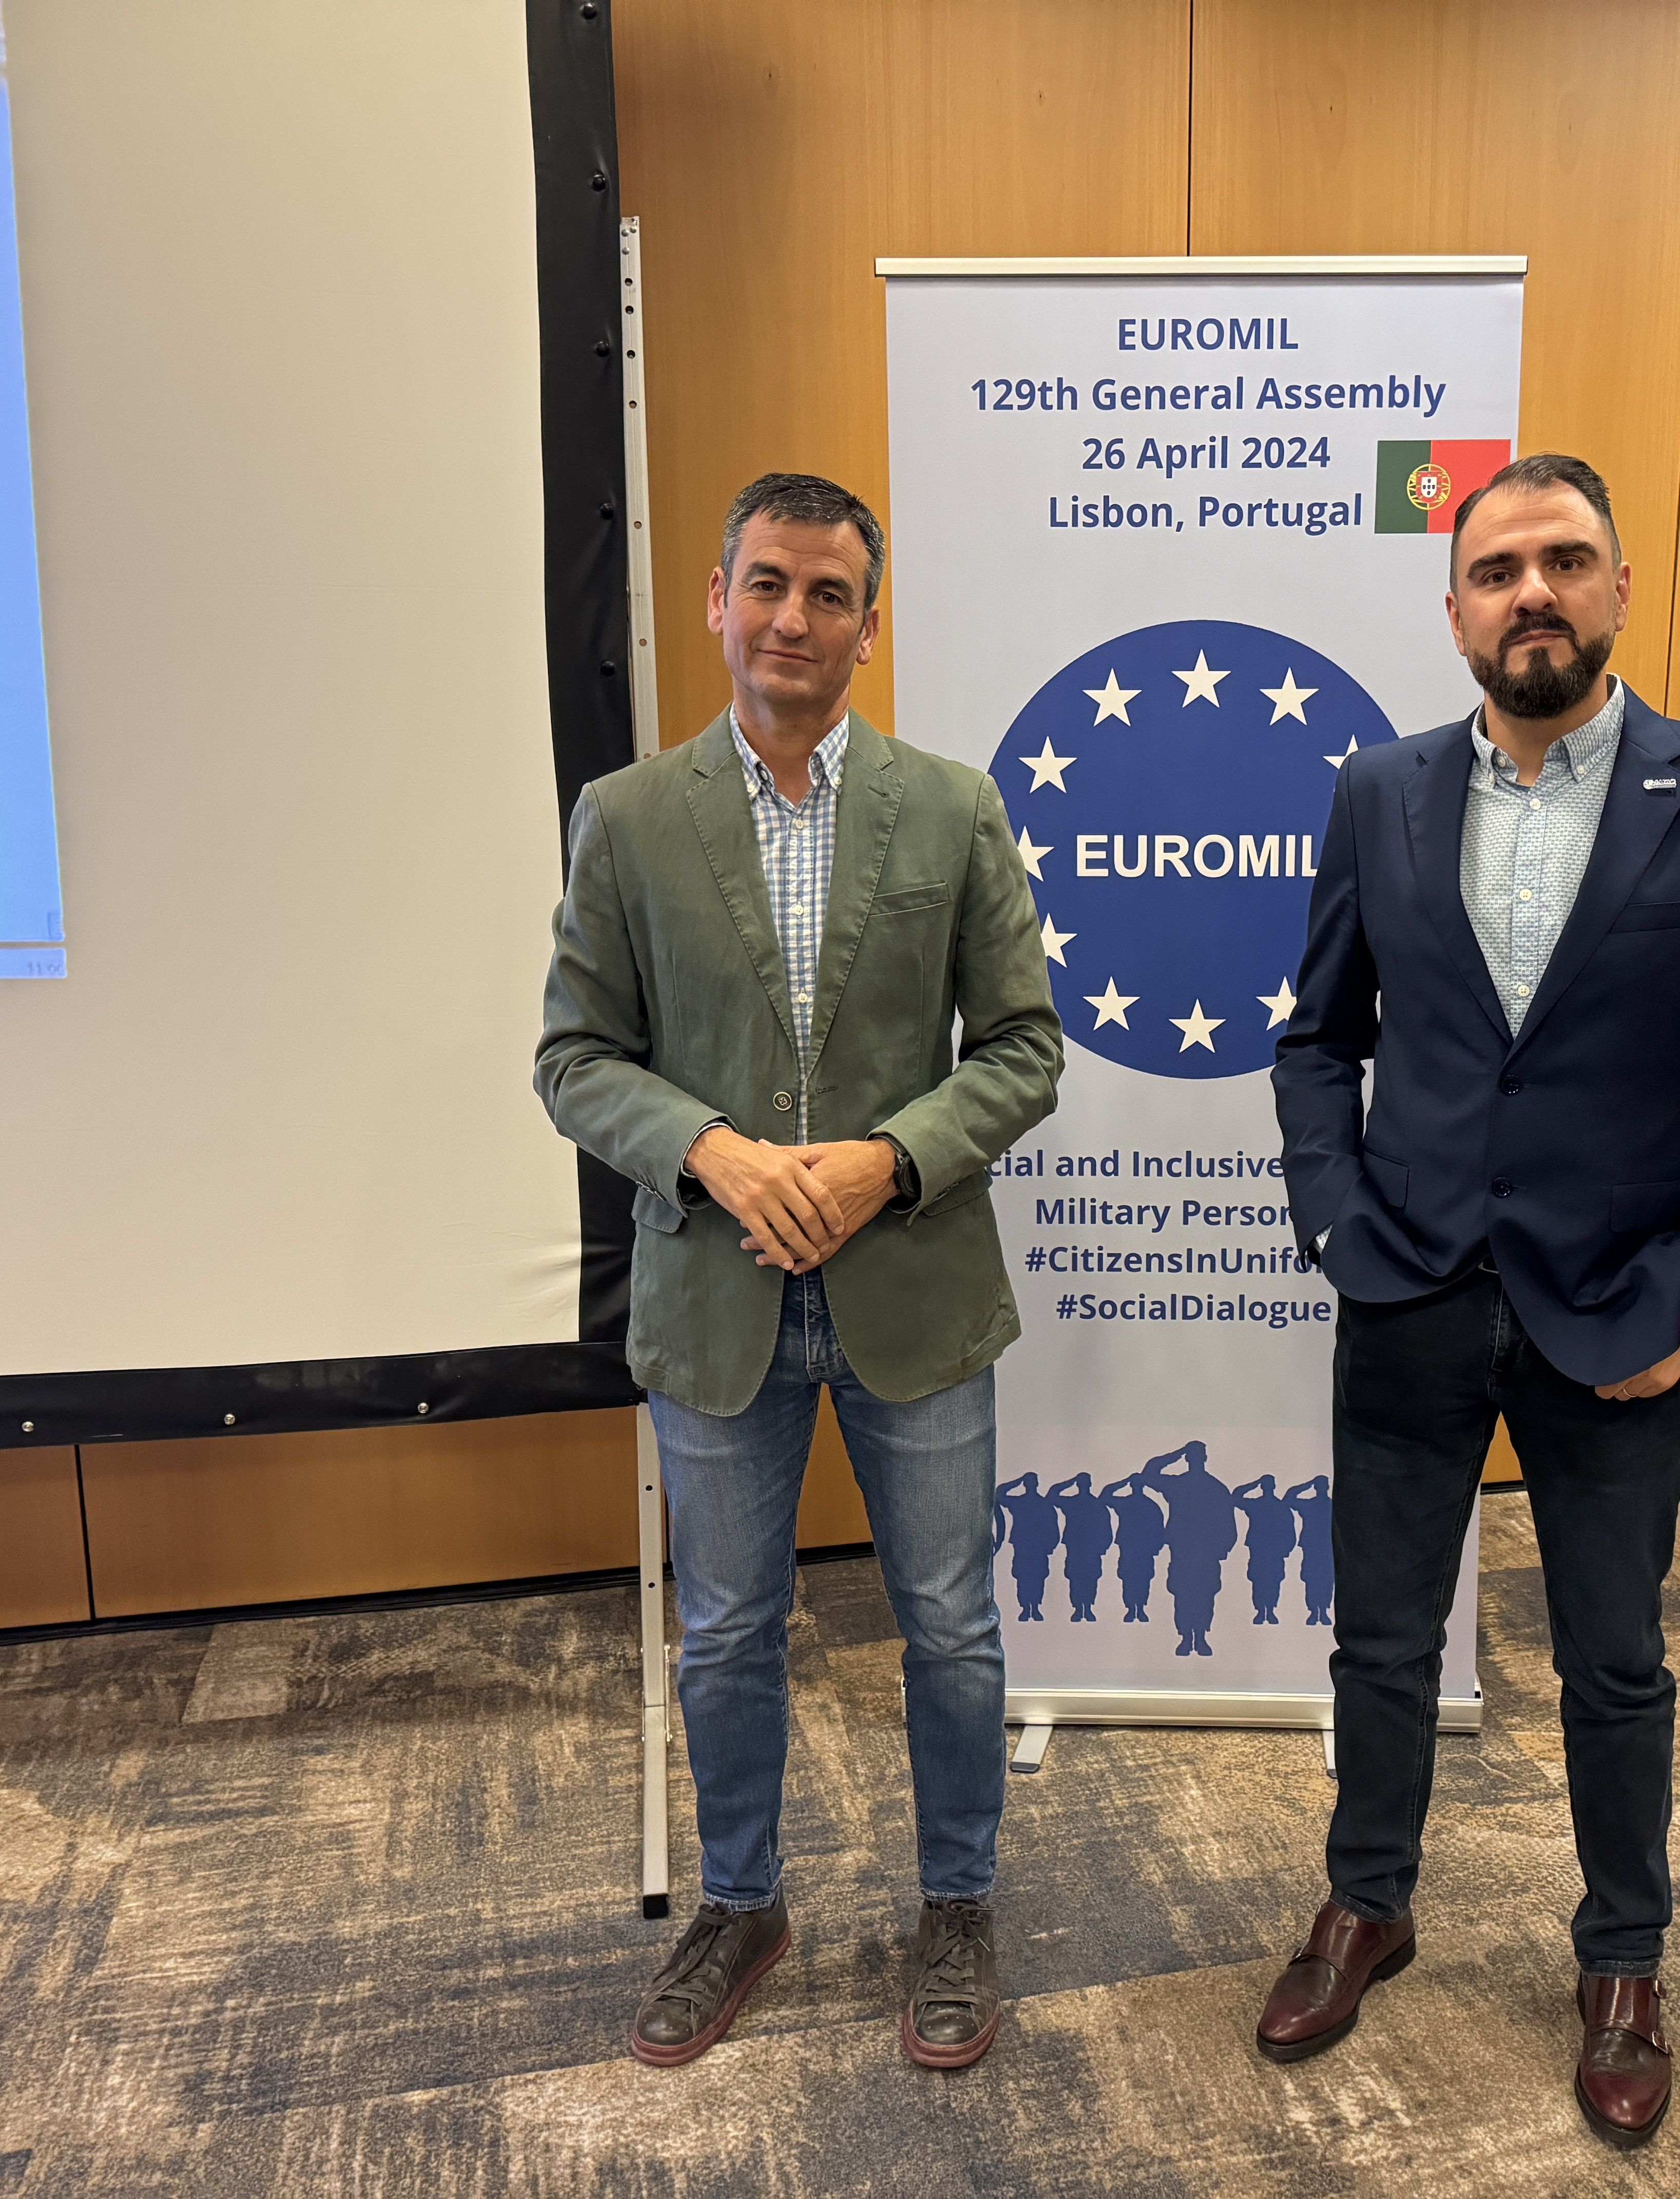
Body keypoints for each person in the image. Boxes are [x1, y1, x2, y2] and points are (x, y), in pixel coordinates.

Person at [1262, 454, 1680, 2146]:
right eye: (1498, 567)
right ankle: (1367, 1901)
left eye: (1564, 560)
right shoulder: (1378, 789)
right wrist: (1334, 1223)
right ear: (1454, 612)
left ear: (1619, 588)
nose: (1533, 591)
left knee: (1613, 1660)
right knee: (1378, 1636)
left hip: (1620, 1314)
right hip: (1413, 1289)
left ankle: (1624, 1963)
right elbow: (1318, 1037)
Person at [534, 471, 1063, 2073]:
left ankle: (955, 1902)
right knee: (726, 1633)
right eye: (765, 583)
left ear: (868, 626)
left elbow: (1024, 1050)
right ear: (715, 601)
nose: (792, 620)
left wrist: (886, 1158)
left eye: (828, 594)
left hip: (911, 1288)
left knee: (954, 1629)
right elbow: (574, 1058)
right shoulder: (626, 820)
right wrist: (711, 1150)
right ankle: (743, 1904)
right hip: (714, 1300)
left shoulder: (953, 807)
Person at [1141, 1440, 1236, 1657]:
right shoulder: (1178, 1484)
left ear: (1204, 1458)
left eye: (1196, 1454)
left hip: (1207, 1552)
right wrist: (1177, 1453)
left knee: (1204, 1595)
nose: (1194, 1458)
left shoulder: (1216, 1488)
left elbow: (1228, 1523)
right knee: (1183, 1595)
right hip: (1182, 1550)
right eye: (1190, 1455)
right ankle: (1186, 1637)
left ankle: (1201, 1637)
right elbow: (1148, 1475)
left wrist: (1223, 1548)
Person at [1230, 1473, 1300, 1624]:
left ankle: (1271, 1610)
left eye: (1269, 1484)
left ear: (1273, 1487)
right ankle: (1261, 1611)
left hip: (1274, 1551)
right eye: (1265, 1484)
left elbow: (1290, 1531)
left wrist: (1286, 1549)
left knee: (1273, 1580)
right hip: (1259, 1550)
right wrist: (1255, 1483)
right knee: (1259, 1580)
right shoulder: (1256, 1505)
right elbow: (1235, 1498)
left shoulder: (1281, 1507)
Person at [1100, 1470, 1169, 1623]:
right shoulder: (1129, 1503)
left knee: (1142, 1579)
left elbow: (1159, 1528)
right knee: (1130, 1578)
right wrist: (1124, 1481)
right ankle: (1132, 1609)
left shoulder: (1148, 1505)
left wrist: (1156, 1547)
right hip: (1130, 1547)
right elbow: (1104, 1498)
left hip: (1143, 1549)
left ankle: (1140, 1608)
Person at [994, 1471, 1062, 1623]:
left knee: (1038, 1578)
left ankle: (1035, 1608)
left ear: (1037, 1484)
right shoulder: (1020, 1502)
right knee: (1023, 1578)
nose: (1030, 1485)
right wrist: (1018, 1480)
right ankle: (1025, 1608)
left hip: (1038, 1548)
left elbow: (1054, 1528)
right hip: (1023, 1547)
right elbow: (999, 1494)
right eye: (1028, 1482)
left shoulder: (1044, 1504)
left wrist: (1050, 1546)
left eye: (1032, 1482)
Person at [1049, 1472, 1115, 1623]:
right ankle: (1079, 1609)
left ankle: (1088, 1608)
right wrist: (1071, 1481)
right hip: (1076, 1548)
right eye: (1081, 1483)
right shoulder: (1073, 1503)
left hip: (1092, 1549)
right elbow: (1052, 1497)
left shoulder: (1097, 1505)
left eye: (1084, 1483)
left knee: (1090, 1579)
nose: (1083, 1485)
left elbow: (1107, 1528)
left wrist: (1103, 1547)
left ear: (1089, 1485)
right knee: (1076, 1578)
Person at [1287, 1473, 1335, 1627]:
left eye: (1323, 1485)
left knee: (1326, 1581)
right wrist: (1307, 1485)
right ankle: (1314, 1611)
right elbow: (1288, 1500)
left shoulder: (1333, 1505)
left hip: (1327, 1548)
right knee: (1312, 1580)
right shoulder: (1309, 1505)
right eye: (1318, 1485)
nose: (1321, 1488)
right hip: (1312, 1548)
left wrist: (1309, 1485)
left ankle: (1324, 1611)